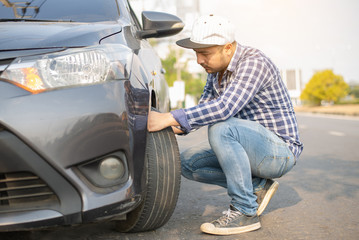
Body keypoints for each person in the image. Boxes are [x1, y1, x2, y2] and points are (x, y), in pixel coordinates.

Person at [147, 14, 303, 236]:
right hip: (249, 147)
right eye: (196, 54)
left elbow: (224, 109)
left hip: (279, 151)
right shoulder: (216, 72)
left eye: (205, 53)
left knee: (222, 127)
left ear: (228, 48)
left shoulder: (253, 62)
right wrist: (159, 125)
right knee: (187, 163)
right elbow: (203, 111)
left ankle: (245, 211)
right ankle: (257, 187)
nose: (199, 60)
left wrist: (170, 116)